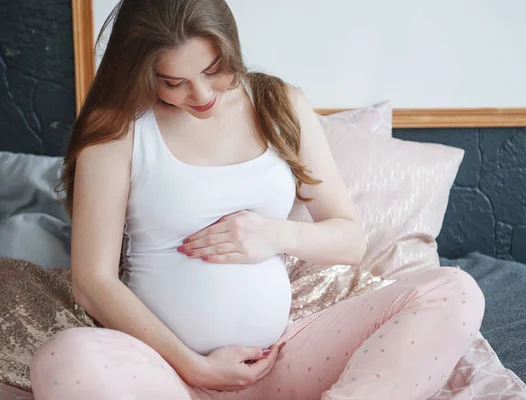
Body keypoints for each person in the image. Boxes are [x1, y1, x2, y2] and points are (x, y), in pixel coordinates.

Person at [30, 1, 485, 399]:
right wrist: (194, 365)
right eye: (174, 82)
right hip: (164, 372)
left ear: (230, 46)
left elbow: (350, 239)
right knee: (61, 360)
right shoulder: (119, 127)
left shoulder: (278, 103)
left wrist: (273, 234)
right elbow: (92, 281)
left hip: (283, 359)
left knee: (455, 291)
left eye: (213, 71)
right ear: (143, 71)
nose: (202, 95)